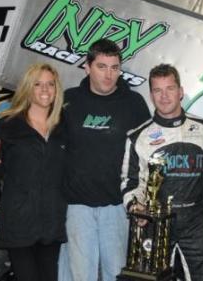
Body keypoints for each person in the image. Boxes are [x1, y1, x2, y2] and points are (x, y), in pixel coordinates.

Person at [59, 38, 150, 281]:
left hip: (117, 207)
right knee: (81, 276)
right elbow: (50, 147)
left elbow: (145, 156)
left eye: (114, 67)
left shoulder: (134, 103)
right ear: (87, 67)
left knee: (116, 274)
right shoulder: (69, 101)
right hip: (77, 207)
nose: (109, 74)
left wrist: (142, 199)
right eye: (102, 67)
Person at [121, 64, 203, 281]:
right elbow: (130, 182)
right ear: (151, 95)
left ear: (180, 91)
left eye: (170, 89)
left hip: (197, 224)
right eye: (157, 90)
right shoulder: (138, 137)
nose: (164, 96)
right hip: (155, 224)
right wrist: (136, 207)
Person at [0, 63, 67, 281]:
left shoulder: (64, 125)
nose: (45, 90)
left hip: (52, 226)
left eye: (50, 84)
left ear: (56, 89)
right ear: (28, 88)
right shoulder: (7, 125)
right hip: (18, 224)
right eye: (38, 84)